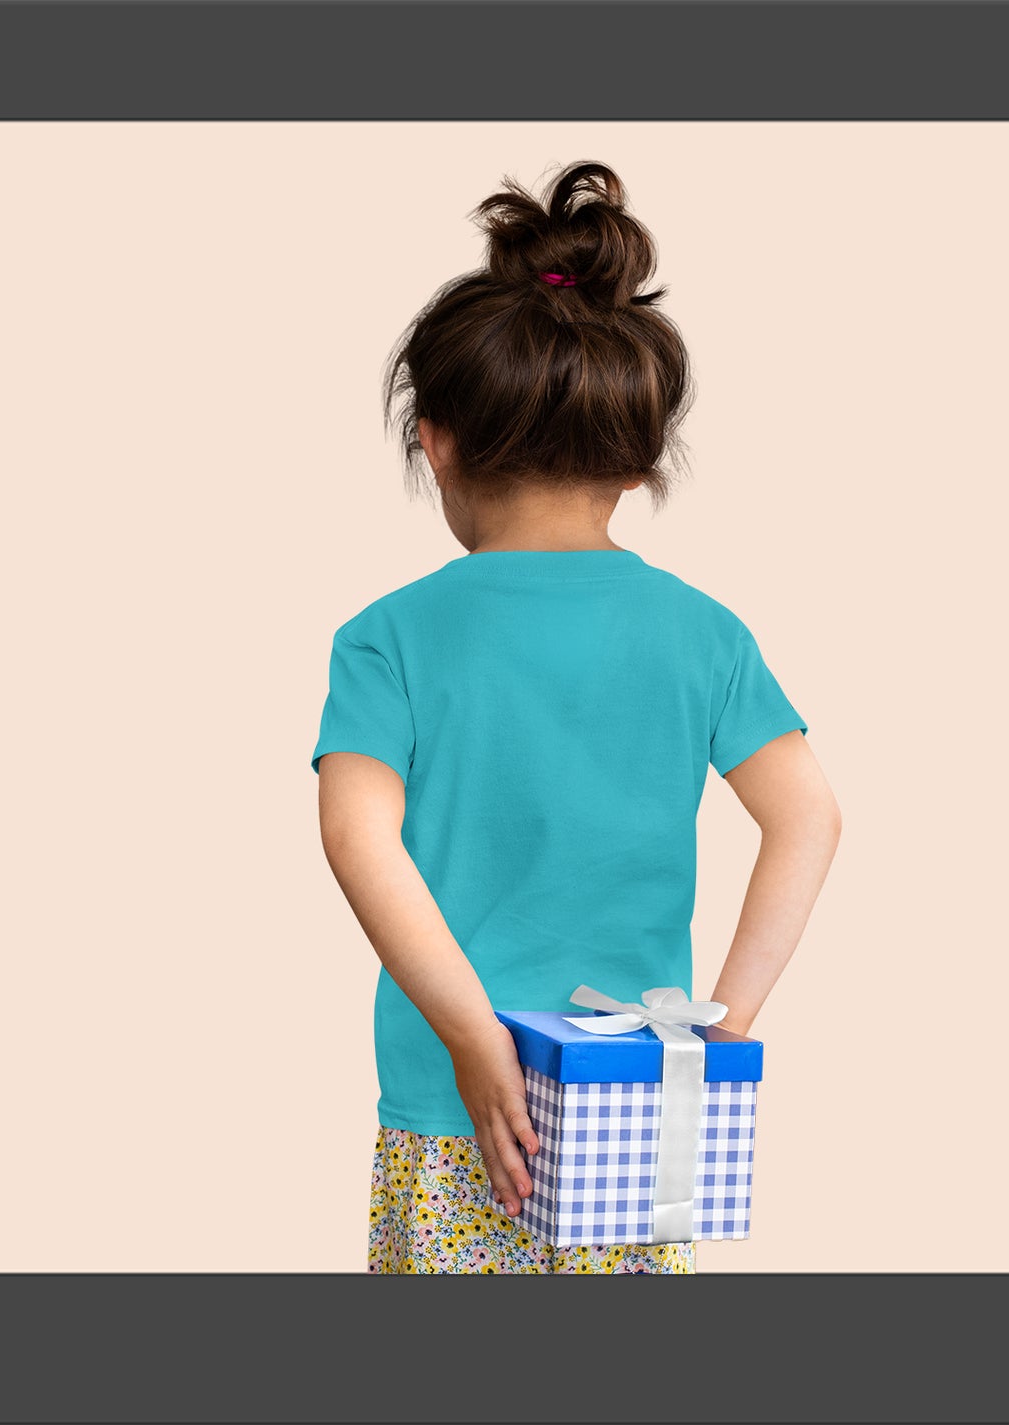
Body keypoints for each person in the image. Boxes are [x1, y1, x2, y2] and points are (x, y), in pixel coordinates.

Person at [311, 160, 842, 1274]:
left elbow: (358, 838)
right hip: (634, 1104)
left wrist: (473, 1037)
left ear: (435, 440)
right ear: (639, 462)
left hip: (456, 1110)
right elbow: (808, 819)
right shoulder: (704, 634)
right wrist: (722, 1030)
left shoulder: (386, 638)